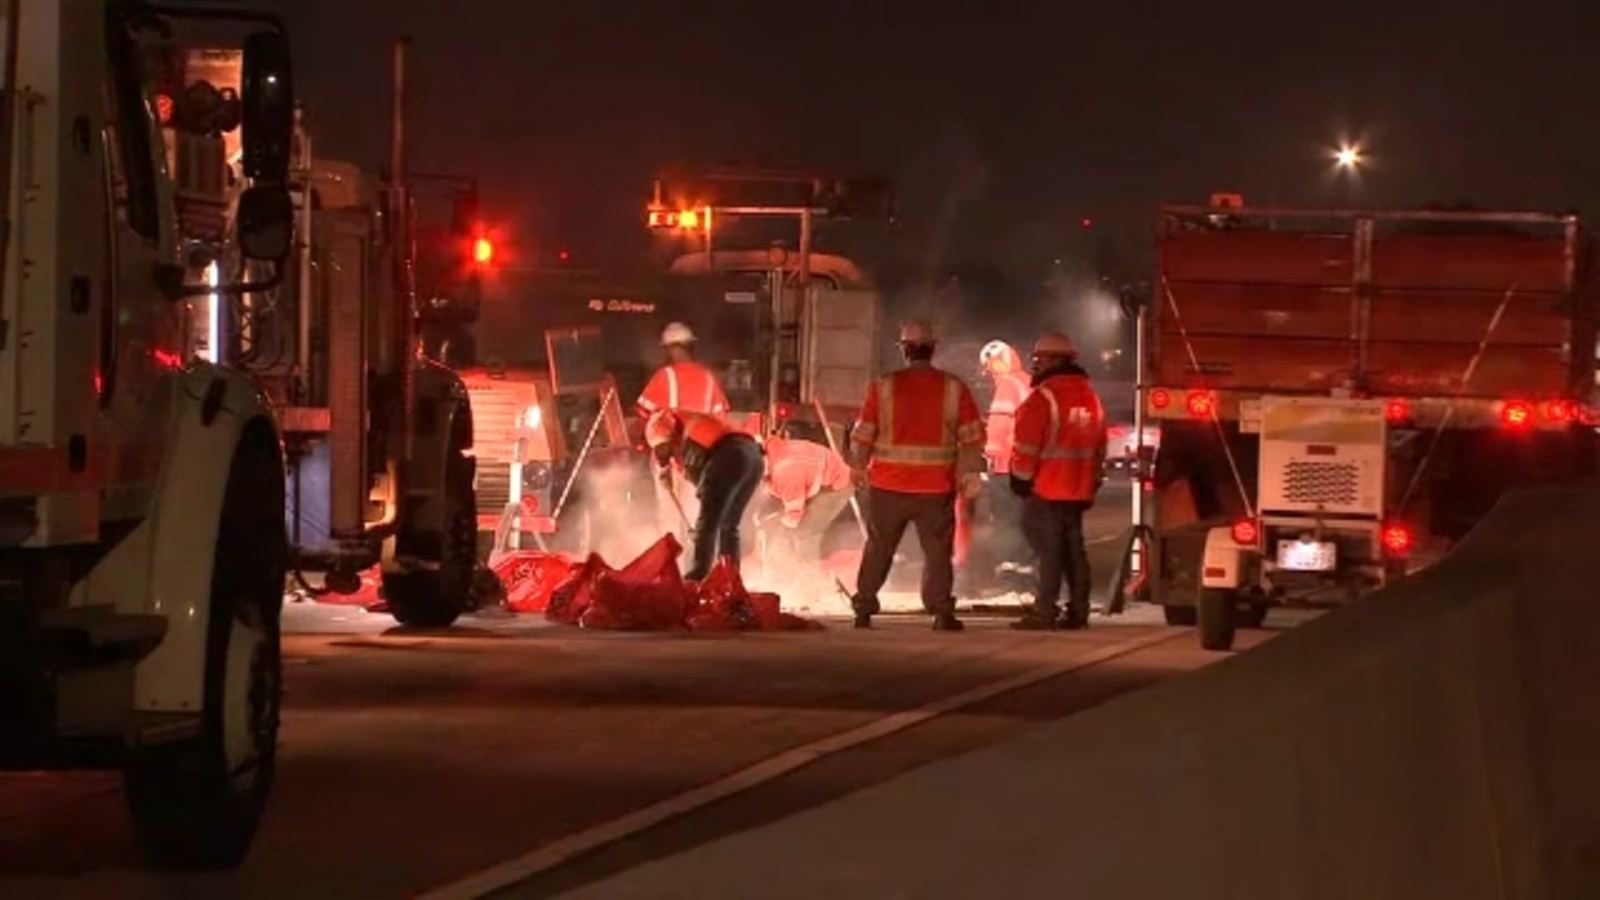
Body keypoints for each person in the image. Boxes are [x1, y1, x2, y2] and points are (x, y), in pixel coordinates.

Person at [849, 320, 985, 632]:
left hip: (887, 485)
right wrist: (971, 473)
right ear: (932, 348)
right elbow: (972, 437)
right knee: (937, 552)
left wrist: (858, 465)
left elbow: (864, 432)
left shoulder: (883, 386)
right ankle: (940, 612)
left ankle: (864, 607)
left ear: (904, 350)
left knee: (879, 547)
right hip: (935, 488)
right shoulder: (954, 388)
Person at [1008, 331, 1107, 631]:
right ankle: (1079, 609)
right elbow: (1100, 446)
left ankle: (1044, 610)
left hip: (1048, 487)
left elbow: (1026, 446)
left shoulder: (1043, 398)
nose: (1035, 365)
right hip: (1078, 489)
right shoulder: (1090, 397)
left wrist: (1020, 480)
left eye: (1038, 359)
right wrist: (1092, 482)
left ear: (1052, 360)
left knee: (1048, 551)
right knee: (1074, 551)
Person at [645, 409, 764, 582]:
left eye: (664, 448)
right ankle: (729, 579)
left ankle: (697, 577)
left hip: (730, 455)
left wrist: (702, 532)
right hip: (754, 458)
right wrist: (665, 471)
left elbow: (703, 484)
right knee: (729, 525)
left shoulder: (689, 440)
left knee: (709, 521)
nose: (665, 452)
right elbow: (667, 458)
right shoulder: (686, 422)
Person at [635, 322, 729, 536]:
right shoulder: (708, 378)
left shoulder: (664, 376)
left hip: (669, 454)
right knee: (697, 514)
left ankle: (671, 562)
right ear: (690, 346)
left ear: (670, 348)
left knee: (669, 515)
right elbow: (720, 419)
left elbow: (644, 411)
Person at [976, 340, 1035, 582]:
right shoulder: (1029, 382)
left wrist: (985, 457)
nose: (989, 373)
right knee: (1025, 520)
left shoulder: (1008, 386)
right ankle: (1027, 570)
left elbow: (1000, 427)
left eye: (990, 367)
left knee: (1006, 521)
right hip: (1027, 465)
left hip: (1005, 466)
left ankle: (1010, 571)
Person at [760, 435, 854, 572]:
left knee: (806, 533)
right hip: (813, 482)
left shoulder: (784, 470)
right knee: (775, 526)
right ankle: (785, 574)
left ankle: (808, 585)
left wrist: (779, 527)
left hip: (836, 487)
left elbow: (794, 513)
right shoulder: (773, 452)